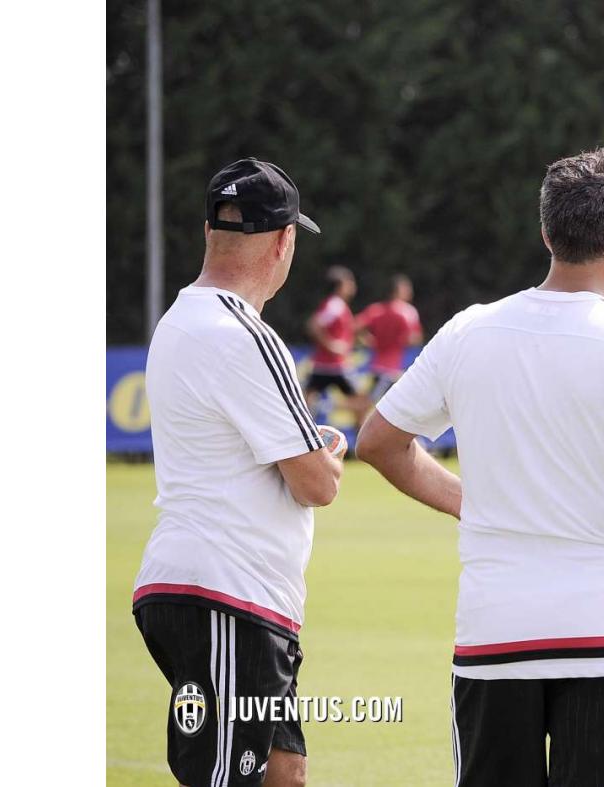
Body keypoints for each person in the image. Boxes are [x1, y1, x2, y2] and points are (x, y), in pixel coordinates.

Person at [356, 147, 604, 786]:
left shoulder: (469, 331)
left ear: (546, 233)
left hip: (495, 630)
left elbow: (378, 442)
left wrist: (468, 501)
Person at [133, 158, 342, 787]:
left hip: (209, 589)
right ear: (284, 242)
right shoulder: (245, 333)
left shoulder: (177, 320)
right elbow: (317, 484)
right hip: (228, 594)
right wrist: (328, 454)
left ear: (208, 231)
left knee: (284, 771)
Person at [303, 265, 369, 428]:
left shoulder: (337, 305)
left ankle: (321, 410)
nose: (353, 286)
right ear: (341, 285)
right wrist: (331, 345)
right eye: (350, 282)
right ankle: (327, 406)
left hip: (324, 365)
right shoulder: (335, 305)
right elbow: (314, 325)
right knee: (363, 403)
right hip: (335, 365)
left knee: (305, 401)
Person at [355, 274, 423, 402]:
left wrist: (370, 340)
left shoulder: (376, 310)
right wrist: (398, 340)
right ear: (399, 290)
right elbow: (414, 338)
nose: (410, 291)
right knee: (369, 404)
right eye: (407, 288)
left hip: (378, 367)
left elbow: (355, 326)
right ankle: (332, 405)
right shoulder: (407, 311)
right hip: (392, 369)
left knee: (373, 404)